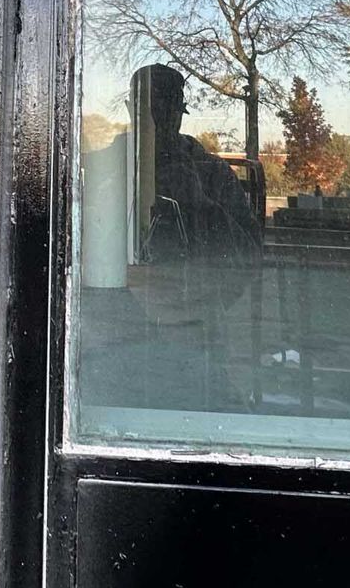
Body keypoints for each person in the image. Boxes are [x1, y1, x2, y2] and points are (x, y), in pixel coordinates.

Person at [79, 64, 262, 407]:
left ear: (180, 113)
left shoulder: (211, 175)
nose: (159, 120)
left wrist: (202, 205)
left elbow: (249, 259)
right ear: (132, 109)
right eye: (150, 108)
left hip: (195, 334)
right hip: (110, 333)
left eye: (169, 109)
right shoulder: (102, 167)